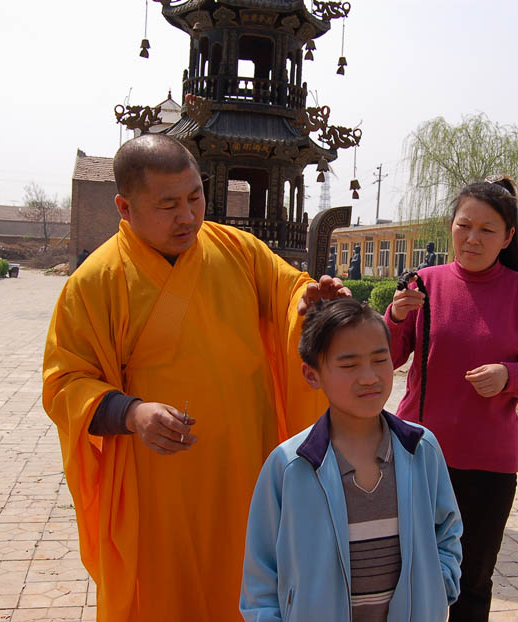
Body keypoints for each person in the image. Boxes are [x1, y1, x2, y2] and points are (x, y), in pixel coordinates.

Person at [42, 134, 349, 621]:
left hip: (246, 467)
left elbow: (288, 293)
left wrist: (309, 305)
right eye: (168, 205)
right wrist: (132, 412)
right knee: (166, 599)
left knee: (249, 591)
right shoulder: (96, 281)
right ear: (125, 206)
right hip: (160, 484)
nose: (187, 216)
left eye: (194, 197)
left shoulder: (239, 250)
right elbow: (65, 384)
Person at [385, 176, 518, 622]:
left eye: (487, 230)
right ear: (451, 227)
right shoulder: (424, 284)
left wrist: (508, 375)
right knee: (401, 574)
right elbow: (384, 357)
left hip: (489, 463)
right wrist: (395, 315)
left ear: (508, 237)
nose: (473, 239)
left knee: (472, 581)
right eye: (464, 226)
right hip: (418, 455)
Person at [241, 297, 462, 622]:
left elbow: (448, 529)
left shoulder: (420, 448)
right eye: (349, 365)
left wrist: (437, 586)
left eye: (379, 360)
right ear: (312, 374)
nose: (369, 376)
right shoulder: (291, 465)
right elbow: (261, 569)